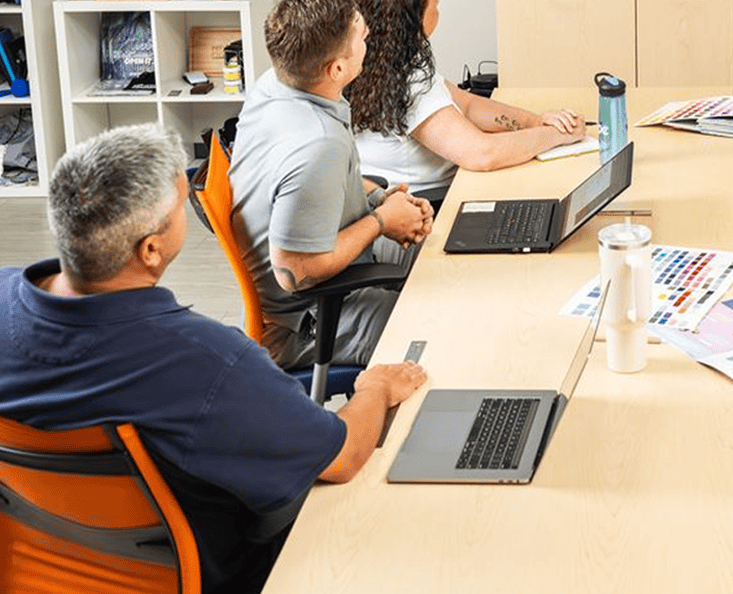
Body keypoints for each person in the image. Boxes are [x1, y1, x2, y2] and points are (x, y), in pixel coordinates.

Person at [0, 123, 427, 594]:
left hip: (44, 567)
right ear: (151, 249)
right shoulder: (207, 363)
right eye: (180, 207)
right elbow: (342, 456)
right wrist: (376, 388)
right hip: (217, 572)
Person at [230, 0, 433, 369]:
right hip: (307, 320)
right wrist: (380, 222)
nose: (368, 36)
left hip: (323, 277)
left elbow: (306, 186)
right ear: (337, 69)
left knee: (441, 254)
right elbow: (296, 273)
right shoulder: (316, 143)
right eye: (361, 34)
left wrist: (379, 200)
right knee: (434, 328)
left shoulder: (275, 85)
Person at [348, 0, 586, 200]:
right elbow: (482, 154)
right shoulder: (409, 81)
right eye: (435, 1)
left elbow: (469, 105)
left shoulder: (369, 61)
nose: (438, 6)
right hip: (424, 205)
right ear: (415, 17)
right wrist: (558, 135)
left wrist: (534, 121)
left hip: (391, 199)